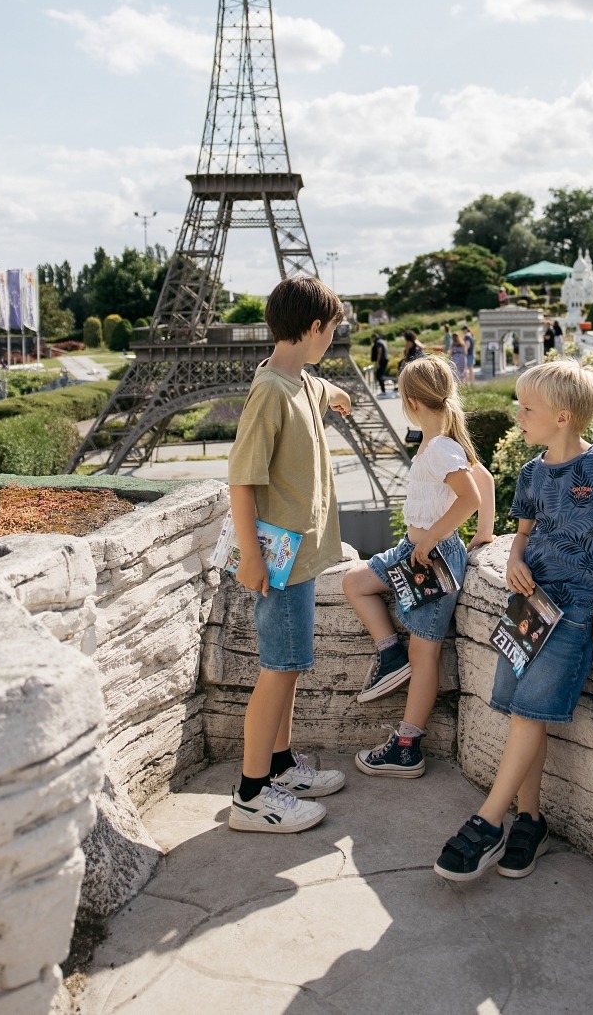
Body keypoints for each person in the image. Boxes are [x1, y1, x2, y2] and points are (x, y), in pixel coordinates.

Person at [433, 358, 593, 883]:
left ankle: (487, 823)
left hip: (574, 612)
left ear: (564, 417)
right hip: (529, 606)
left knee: (529, 714)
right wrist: (512, 560)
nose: (517, 414)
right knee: (519, 711)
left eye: (528, 408)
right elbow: (523, 536)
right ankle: (530, 820)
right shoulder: (530, 474)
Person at [225, 275, 353, 834]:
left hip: (298, 558)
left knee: (291, 666)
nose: (333, 340)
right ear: (313, 328)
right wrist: (250, 557)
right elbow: (242, 481)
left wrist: (336, 393)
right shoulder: (271, 394)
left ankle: (278, 766)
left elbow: (317, 391)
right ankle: (252, 795)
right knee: (277, 670)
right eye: (331, 331)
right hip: (277, 562)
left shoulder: (298, 381)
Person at [342, 355, 495, 778]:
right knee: (355, 582)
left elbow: (470, 497)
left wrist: (434, 537)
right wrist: (483, 534)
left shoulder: (441, 448)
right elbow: (486, 482)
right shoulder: (442, 444)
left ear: (409, 401)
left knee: (424, 653)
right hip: (417, 549)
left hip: (433, 555)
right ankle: (391, 656)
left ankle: (407, 746)